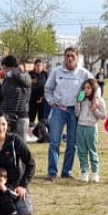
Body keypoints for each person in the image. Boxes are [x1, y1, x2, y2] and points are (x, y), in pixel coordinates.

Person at [45, 47, 92, 179]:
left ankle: (67, 172)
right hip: (59, 109)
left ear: (77, 57)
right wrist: (52, 102)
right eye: (67, 56)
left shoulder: (84, 73)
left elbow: (94, 89)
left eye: (72, 56)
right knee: (54, 141)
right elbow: (48, 89)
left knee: (73, 143)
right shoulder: (56, 71)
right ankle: (53, 172)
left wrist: (82, 100)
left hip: (75, 111)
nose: (69, 58)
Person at [75, 78, 107, 182]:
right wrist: (78, 103)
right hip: (80, 126)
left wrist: (95, 110)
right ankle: (84, 172)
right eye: (84, 88)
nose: (86, 90)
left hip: (92, 127)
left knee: (92, 150)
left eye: (88, 88)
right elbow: (77, 114)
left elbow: (103, 116)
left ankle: (95, 172)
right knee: (82, 151)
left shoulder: (99, 100)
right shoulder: (82, 99)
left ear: (93, 88)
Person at [0, 55, 32, 143]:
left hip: (19, 114)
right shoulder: (8, 79)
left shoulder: (23, 76)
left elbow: (26, 83)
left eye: (5, 68)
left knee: (20, 144)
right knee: (9, 143)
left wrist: (16, 71)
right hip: (10, 114)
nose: (4, 71)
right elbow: (3, 95)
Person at [28, 58, 50, 127]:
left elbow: (48, 87)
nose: (39, 67)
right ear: (34, 66)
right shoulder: (30, 74)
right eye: (37, 65)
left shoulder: (46, 74)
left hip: (42, 99)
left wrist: (43, 97)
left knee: (42, 119)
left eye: (40, 65)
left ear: (43, 66)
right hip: (32, 99)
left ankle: (41, 133)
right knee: (31, 118)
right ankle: (30, 133)